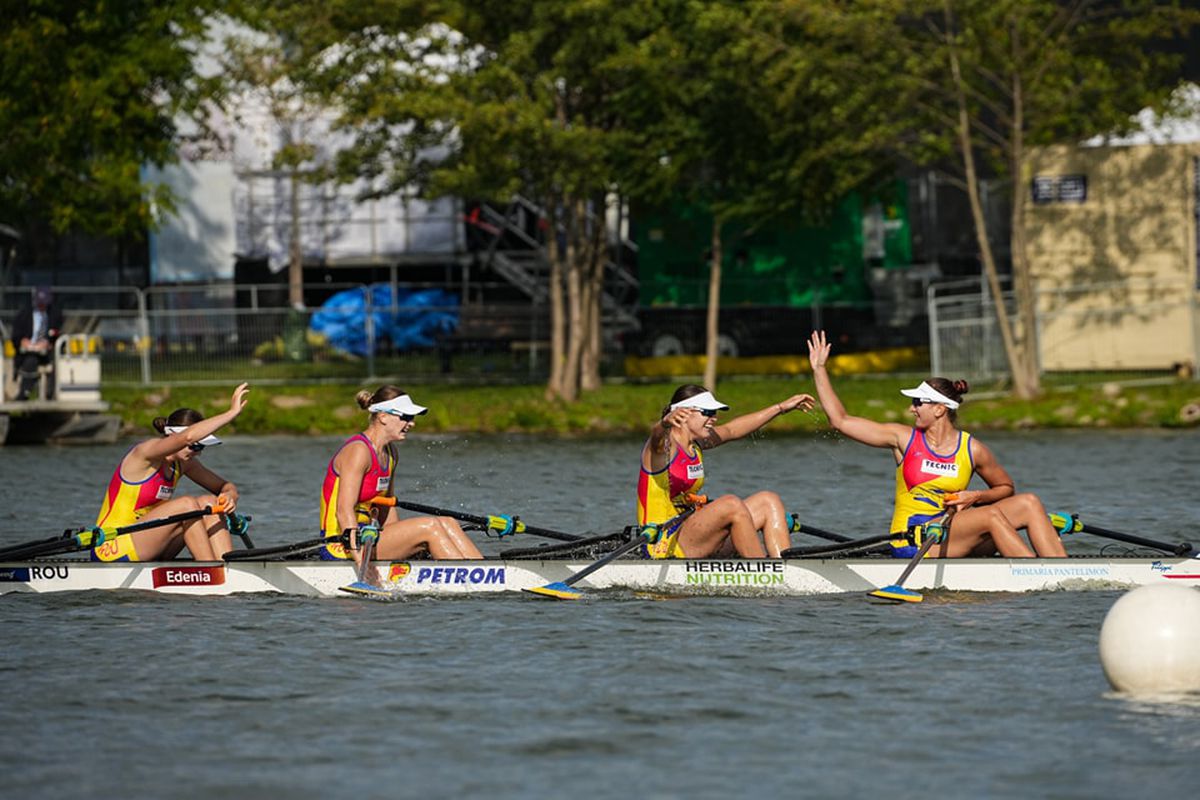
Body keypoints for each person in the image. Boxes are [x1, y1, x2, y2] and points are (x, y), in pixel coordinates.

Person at [806, 330, 1067, 558]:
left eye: (919, 402)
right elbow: (840, 421)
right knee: (989, 516)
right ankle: (1034, 572)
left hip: (956, 533)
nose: (912, 409)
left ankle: (1066, 571)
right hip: (915, 541)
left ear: (940, 410)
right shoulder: (903, 439)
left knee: (1029, 502)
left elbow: (1005, 487)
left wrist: (976, 495)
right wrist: (819, 370)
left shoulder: (971, 448)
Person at [636, 384, 816, 559]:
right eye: (707, 412)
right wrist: (664, 424)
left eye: (714, 413)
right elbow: (656, 437)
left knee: (768, 501)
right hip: (663, 542)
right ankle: (764, 569)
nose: (714, 418)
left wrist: (781, 407)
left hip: (693, 532)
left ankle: (783, 565)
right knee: (731, 504)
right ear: (683, 413)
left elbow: (732, 429)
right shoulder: (663, 448)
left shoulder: (697, 443)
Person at [319, 386, 483, 566]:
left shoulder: (390, 454)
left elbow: (386, 507)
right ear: (383, 417)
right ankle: (470, 579)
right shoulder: (358, 451)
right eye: (405, 417)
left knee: (447, 522)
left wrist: (403, 548)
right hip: (342, 544)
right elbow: (343, 510)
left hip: (370, 537)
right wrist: (360, 562)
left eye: (411, 418)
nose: (411, 423)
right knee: (429, 527)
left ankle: (483, 571)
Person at [93, 383, 250, 562]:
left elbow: (225, 486)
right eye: (196, 446)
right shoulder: (144, 454)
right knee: (186, 504)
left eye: (202, 447)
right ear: (173, 438)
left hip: (150, 545)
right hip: (112, 547)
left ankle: (225, 565)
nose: (198, 452)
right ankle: (211, 570)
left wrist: (229, 496)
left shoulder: (183, 464)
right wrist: (230, 414)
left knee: (210, 502)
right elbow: (187, 437)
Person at [11, 286, 63, 400]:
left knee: (55, 361)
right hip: (28, 352)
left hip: (47, 352)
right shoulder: (24, 314)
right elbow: (15, 335)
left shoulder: (55, 314)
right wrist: (23, 341)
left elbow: (59, 332)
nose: (42, 305)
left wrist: (48, 342)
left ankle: (50, 394)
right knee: (31, 360)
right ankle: (24, 392)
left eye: (44, 303)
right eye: (39, 303)